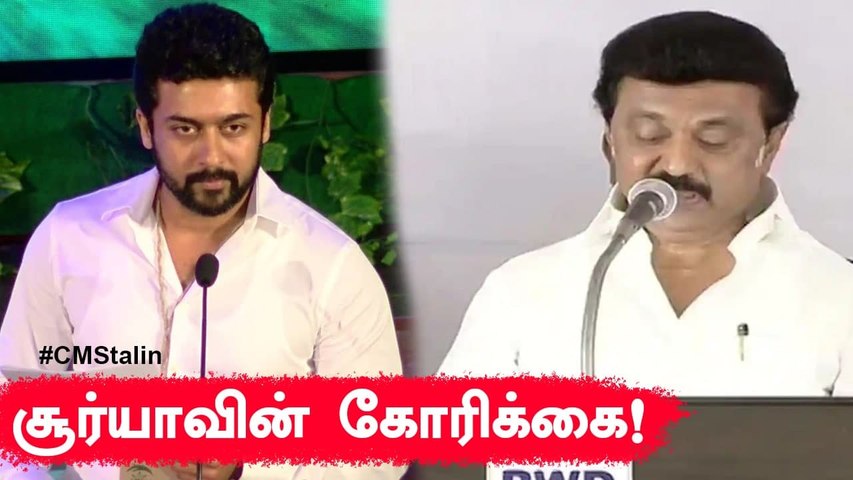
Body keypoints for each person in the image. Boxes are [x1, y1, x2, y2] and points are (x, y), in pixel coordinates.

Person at [0, 3, 405, 479]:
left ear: (265, 123)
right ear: (146, 126)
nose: (212, 156)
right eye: (185, 129)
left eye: (234, 127)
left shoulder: (331, 263)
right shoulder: (69, 237)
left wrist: (247, 467)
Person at [440, 11, 853, 397]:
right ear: (610, 142)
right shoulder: (520, 291)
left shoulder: (839, 296)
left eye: (713, 139)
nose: (677, 164)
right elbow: (456, 442)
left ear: (771, 145)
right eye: (649, 135)